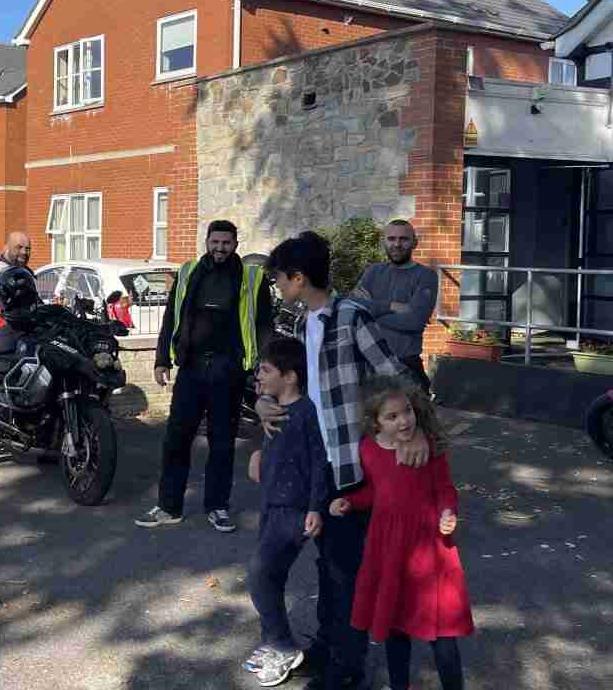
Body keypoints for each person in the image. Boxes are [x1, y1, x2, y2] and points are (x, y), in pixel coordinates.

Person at [260, 231, 428, 690]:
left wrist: (416, 437)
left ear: (298, 278)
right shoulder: (299, 323)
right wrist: (261, 403)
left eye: (279, 278)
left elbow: (399, 377)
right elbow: (283, 382)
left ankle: (347, 665)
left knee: (342, 568)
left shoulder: (351, 317)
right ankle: (329, 646)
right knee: (322, 563)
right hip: (311, 465)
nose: (277, 286)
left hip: (349, 467)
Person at [330, 377, 473, 690]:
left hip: (430, 547)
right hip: (388, 548)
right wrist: (350, 502)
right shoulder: (368, 449)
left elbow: (445, 489)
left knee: (442, 630)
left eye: (406, 411)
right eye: (391, 417)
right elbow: (376, 493)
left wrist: (448, 513)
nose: (404, 420)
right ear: (375, 422)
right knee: (394, 626)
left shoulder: (429, 448)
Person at [137, 220, 272, 532]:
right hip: (192, 367)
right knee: (176, 439)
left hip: (229, 369)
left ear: (236, 244)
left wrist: (264, 371)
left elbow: (265, 327)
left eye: (226, 243)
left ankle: (218, 506)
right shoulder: (188, 273)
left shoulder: (252, 278)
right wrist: (161, 360)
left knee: (222, 442)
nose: (220, 248)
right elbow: (171, 316)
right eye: (215, 242)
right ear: (206, 242)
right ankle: (169, 506)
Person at [243, 337, 327, 687]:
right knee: (271, 578)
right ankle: (271, 643)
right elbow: (272, 444)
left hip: (293, 511)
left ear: (290, 376)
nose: (258, 376)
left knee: (260, 577)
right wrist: (259, 458)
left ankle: (282, 644)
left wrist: (315, 507)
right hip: (270, 503)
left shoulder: (307, 413)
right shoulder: (273, 404)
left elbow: (320, 463)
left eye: (266, 370)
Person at [352, 220, 439, 391]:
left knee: (413, 417)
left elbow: (414, 322)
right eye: (391, 239)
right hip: (369, 364)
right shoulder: (373, 271)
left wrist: (371, 311)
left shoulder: (426, 276)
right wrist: (392, 306)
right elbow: (354, 309)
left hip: (405, 365)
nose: (397, 244)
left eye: (403, 239)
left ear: (415, 242)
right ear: (383, 242)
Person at [0, 232, 32, 332]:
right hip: (2, 332)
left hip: (17, 329)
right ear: (6, 248)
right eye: (18, 247)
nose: (24, 252)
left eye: (27, 249)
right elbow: (13, 302)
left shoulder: (21, 270)